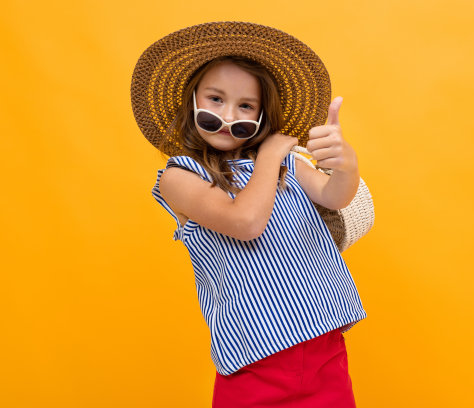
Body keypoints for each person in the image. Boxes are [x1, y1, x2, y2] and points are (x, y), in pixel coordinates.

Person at [131, 22, 367, 407]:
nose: (228, 115)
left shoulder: (287, 162)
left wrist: (346, 165)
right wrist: (271, 155)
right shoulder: (181, 176)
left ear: (262, 115)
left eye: (245, 105)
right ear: (192, 101)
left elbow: (333, 196)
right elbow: (245, 222)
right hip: (254, 361)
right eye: (215, 99)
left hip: (324, 348)